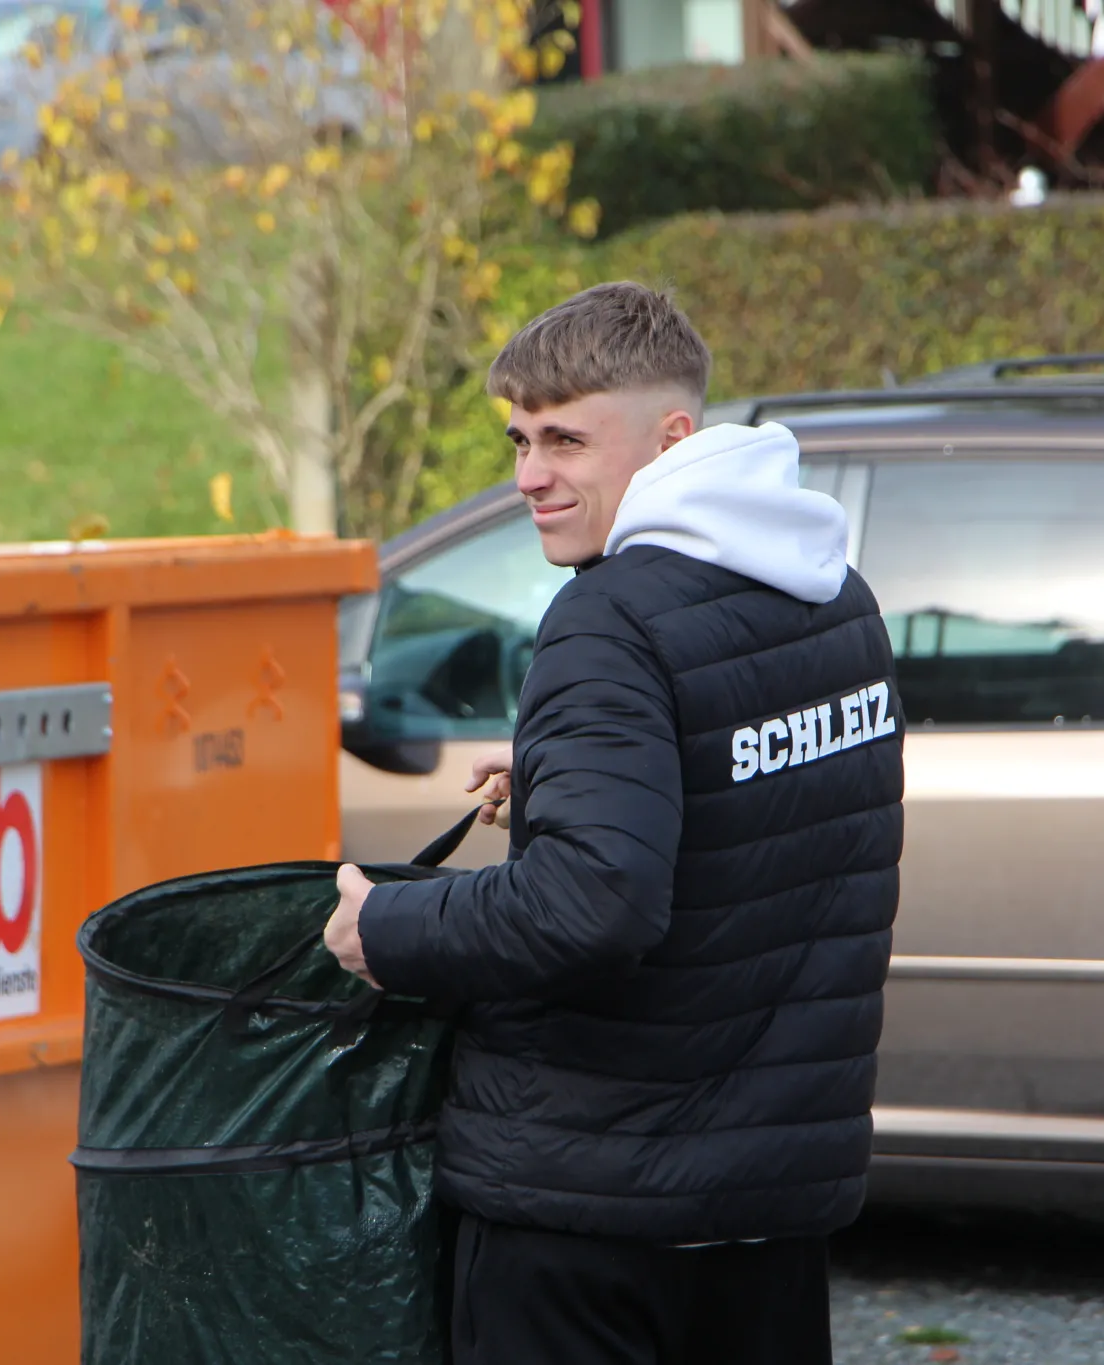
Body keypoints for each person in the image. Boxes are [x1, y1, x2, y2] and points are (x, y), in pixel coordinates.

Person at [324, 282, 905, 1364]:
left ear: (672, 437)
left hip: (588, 1207)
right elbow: (775, 818)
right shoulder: (831, 594)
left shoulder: (609, 618)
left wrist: (386, 929)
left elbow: (596, 901)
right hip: (766, 1204)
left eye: (566, 441)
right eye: (519, 439)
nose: (528, 476)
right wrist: (569, 768)